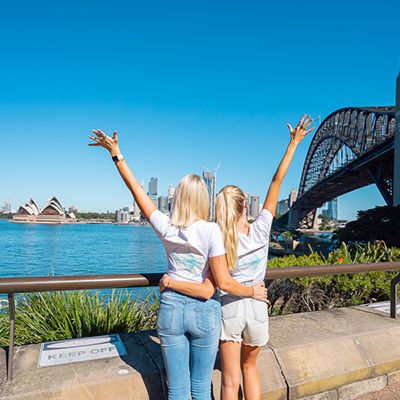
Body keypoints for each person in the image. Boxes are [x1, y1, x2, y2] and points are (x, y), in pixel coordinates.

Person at [88, 129, 268, 400]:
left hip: (171, 309)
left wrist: (117, 155)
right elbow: (214, 286)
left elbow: (138, 192)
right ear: (202, 200)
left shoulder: (167, 228)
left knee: (178, 389)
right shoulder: (212, 231)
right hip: (205, 312)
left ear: (179, 198)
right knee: (200, 388)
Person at [160, 115, 314, 400]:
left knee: (230, 380)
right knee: (250, 369)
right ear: (246, 205)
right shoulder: (262, 229)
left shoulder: (217, 235)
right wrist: (293, 144)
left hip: (229, 309)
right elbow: (276, 181)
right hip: (256, 306)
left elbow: (218, 279)